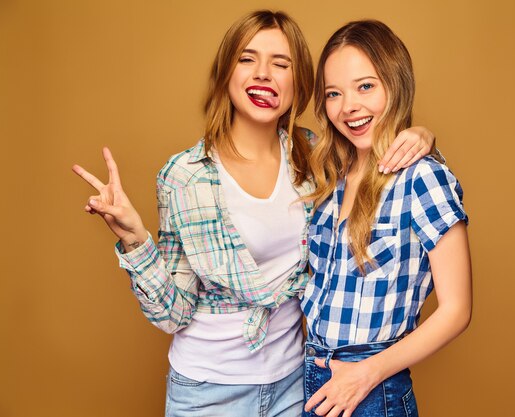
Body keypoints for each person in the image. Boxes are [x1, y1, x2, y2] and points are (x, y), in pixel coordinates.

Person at [73, 10, 436, 417]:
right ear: (226, 73)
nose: (263, 73)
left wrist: (420, 134)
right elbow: (172, 314)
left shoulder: (315, 157)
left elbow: (376, 151)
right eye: (247, 59)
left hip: (296, 385)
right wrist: (135, 239)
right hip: (206, 391)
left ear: (298, 83)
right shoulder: (184, 178)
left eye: (280, 64)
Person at [302, 20, 473, 417]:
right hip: (312, 377)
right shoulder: (330, 174)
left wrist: (366, 375)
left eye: (365, 86)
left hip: (372, 388)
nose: (349, 107)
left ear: (394, 84)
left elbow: (457, 310)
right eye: (333, 93)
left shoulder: (423, 176)